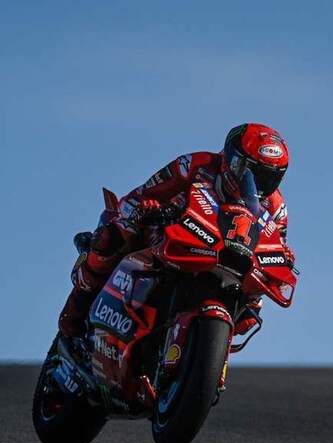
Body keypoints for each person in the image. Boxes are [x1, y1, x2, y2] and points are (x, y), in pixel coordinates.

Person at [58, 123, 294, 340]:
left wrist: (285, 258)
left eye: (266, 178)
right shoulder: (195, 165)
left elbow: (276, 244)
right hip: (172, 237)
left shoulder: (276, 208)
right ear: (230, 158)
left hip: (227, 260)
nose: (252, 184)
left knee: (250, 314)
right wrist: (144, 209)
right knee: (111, 238)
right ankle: (75, 312)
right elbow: (142, 194)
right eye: (246, 170)